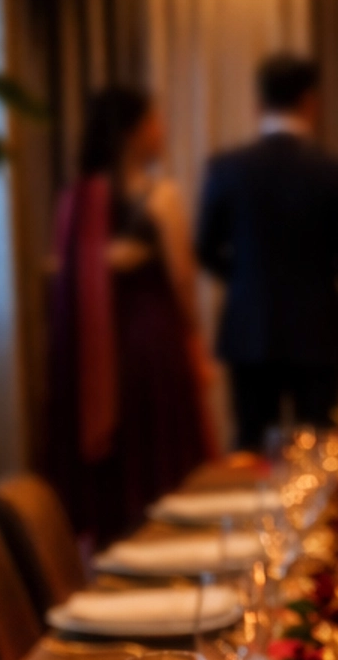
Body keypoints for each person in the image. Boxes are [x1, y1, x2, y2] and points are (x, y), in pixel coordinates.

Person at [47, 85, 218, 542]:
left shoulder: (75, 201)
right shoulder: (161, 197)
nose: (162, 131)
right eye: (156, 121)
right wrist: (197, 350)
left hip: (92, 359)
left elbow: (58, 276)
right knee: (162, 464)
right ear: (134, 132)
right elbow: (182, 281)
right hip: (151, 346)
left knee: (118, 473)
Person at [195, 54, 338, 452]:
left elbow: (204, 248)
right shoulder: (333, 170)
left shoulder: (227, 168)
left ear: (259, 104)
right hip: (319, 326)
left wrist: (243, 276)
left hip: (250, 326)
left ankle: (252, 517)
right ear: (311, 101)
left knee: (252, 447)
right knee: (322, 449)